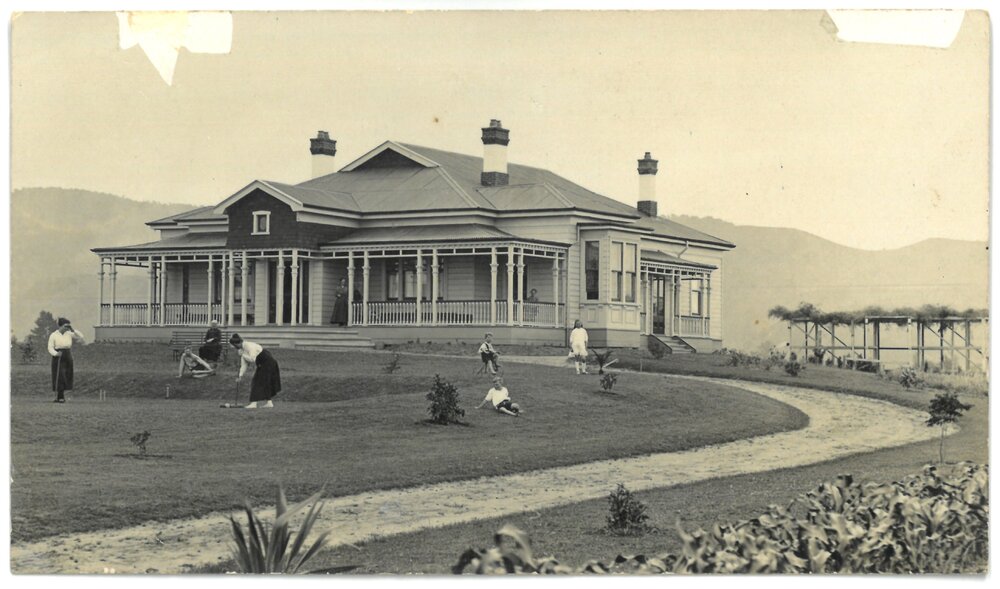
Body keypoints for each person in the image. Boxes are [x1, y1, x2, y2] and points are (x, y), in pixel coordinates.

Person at [230, 333, 282, 409]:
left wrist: (243, 355)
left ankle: (254, 403)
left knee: (256, 381)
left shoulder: (249, 346)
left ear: (239, 343)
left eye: (235, 346)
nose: (235, 348)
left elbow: (252, 359)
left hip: (269, 362)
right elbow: (244, 364)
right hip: (262, 364)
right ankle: (269, 403)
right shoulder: (241, 350)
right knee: (264, 382)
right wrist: (240, 375)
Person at [47, 317, 85, 403]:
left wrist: (72, 329)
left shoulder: (69, 333)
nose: (67, 328)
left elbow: (81, 336)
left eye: (68, 326)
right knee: (60, 375)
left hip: (67, 354)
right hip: (58, 355)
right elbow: (50, 347)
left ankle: (62, 395)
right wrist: (56, 354)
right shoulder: (54, 335)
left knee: (67, 375)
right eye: (65, 326)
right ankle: (60, 396)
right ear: (60, 326)